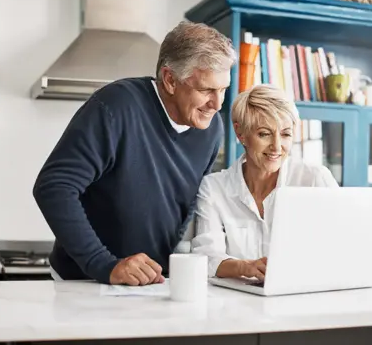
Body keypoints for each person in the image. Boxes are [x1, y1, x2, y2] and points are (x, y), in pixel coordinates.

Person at [32, 20, 236, 286]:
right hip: (85, 281)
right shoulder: (115, 107)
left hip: (150, 283)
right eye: (207, 89)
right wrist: (104, 264)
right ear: (170, 80)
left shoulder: (211, 129)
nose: (217, 103)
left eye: (223, 89)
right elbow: (54, 186)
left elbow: (186, 204)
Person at [191, 84, 339, 281]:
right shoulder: (214, 188)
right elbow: (205, 258)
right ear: (241, 133)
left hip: (301, 296)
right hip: (235, 304)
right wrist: (245, 266)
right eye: (264, 134)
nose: (277, 147)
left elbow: (342, 247)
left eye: (285, 134)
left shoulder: (314, 179)